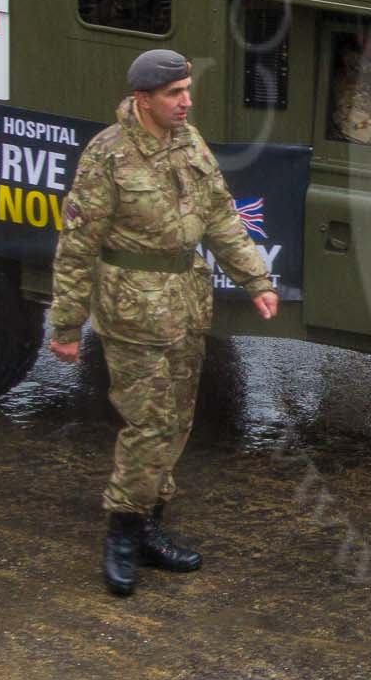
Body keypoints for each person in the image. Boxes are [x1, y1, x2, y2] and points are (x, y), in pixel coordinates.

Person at [48, 51, 279, 597]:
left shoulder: (189, 142)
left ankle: (149, 520)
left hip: (184, 303)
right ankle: (122, 532)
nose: (186, 101)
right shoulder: (108, 155)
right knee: (148, 424)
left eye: (188, 90)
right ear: (144, 98)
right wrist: (65, 325)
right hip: (132, 310)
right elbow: (77, 246)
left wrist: (256, 281)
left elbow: (221, 215)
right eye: (175, 93)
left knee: (175, 420)